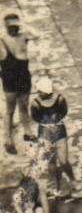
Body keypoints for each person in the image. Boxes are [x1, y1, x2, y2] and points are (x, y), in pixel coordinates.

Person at [28, 76, 72, 195]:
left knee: (63, 161)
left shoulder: (59, 99)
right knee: (50, 162)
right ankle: (54, 184)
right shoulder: (36, 103)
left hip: (59, 131)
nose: (38, 93)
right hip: (45, 133)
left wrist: (54, 121)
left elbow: (63, 112)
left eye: (40, 91)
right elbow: (35, 116)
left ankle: (72, 178)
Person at [2, 13, 36, 155]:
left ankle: (27, 132)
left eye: (16, 26)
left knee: (24, 106)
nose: (14, 29)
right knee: (10, 110)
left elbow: (37, 34)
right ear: (6, 27)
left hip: (23, 78)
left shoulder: (23, 37)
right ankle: (8, 140)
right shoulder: (2, 41)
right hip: (10, 80)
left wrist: (24, 24)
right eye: (11, 26)